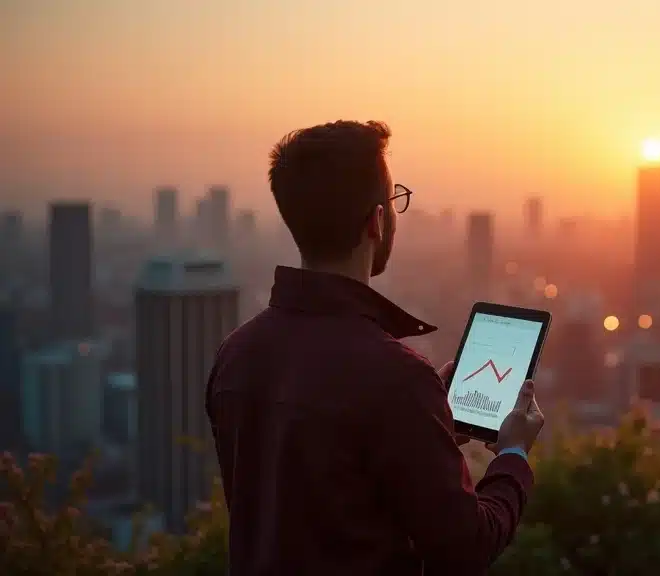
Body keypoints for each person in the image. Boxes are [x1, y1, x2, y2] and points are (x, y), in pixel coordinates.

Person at [205, 120, 545, 575]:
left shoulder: (237, 354)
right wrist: (513, 454)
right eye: (394, 200)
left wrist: (425, 425)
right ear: (378, 220)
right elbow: (467, 545)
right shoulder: (396, 378)